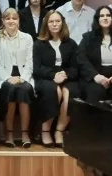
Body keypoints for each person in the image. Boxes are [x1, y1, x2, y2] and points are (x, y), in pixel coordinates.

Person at [33, 10, 78, 147]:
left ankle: (59, 131)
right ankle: (45, 130)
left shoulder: (71, 44)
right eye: (51, 21)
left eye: (57, 21)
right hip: (45, 78)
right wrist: (53, 75)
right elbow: (37, 68)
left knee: (69, 93)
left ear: (62, 23)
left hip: (67, 78)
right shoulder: (39, 44)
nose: (54, 24)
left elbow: (76, 67)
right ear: (46, 24)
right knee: (54, 91)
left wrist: (65, 74)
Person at [0, 8, 35, 148]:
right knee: (10, 89)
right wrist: (8, 78)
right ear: (3, 21)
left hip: (23, 75)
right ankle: (9, 133)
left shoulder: (27, 38)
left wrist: (23, 78)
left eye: (14, 18)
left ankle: (25, 133)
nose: (11, 21)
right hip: (4, 76)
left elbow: (29, 62)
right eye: (8, 18)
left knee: (24, 89)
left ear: (18, 21)